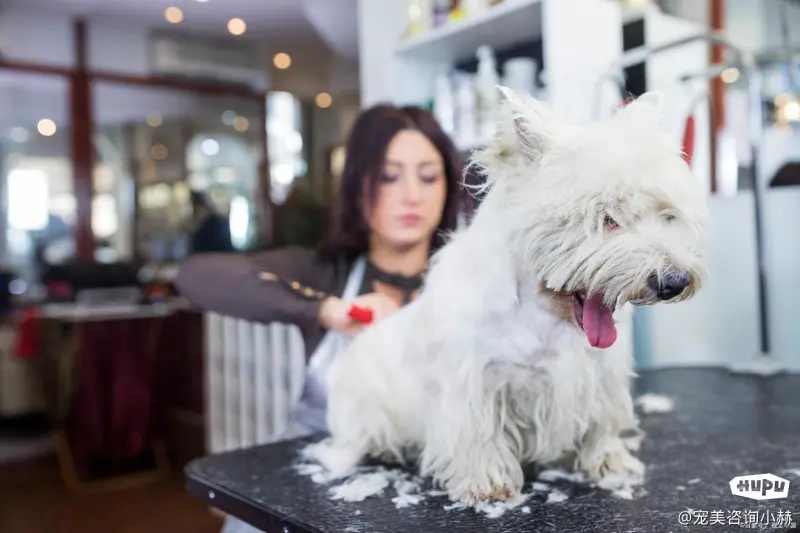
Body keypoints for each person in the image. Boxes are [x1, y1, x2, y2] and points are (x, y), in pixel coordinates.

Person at [176, 104, 467, 533]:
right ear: (356, 186)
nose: (412, 195)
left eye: (428, 176)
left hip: (425, 498)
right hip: (310, 489)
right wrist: (325, 310)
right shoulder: (324, 273)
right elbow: (195, 276)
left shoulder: (466, 285)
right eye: (389, 176)